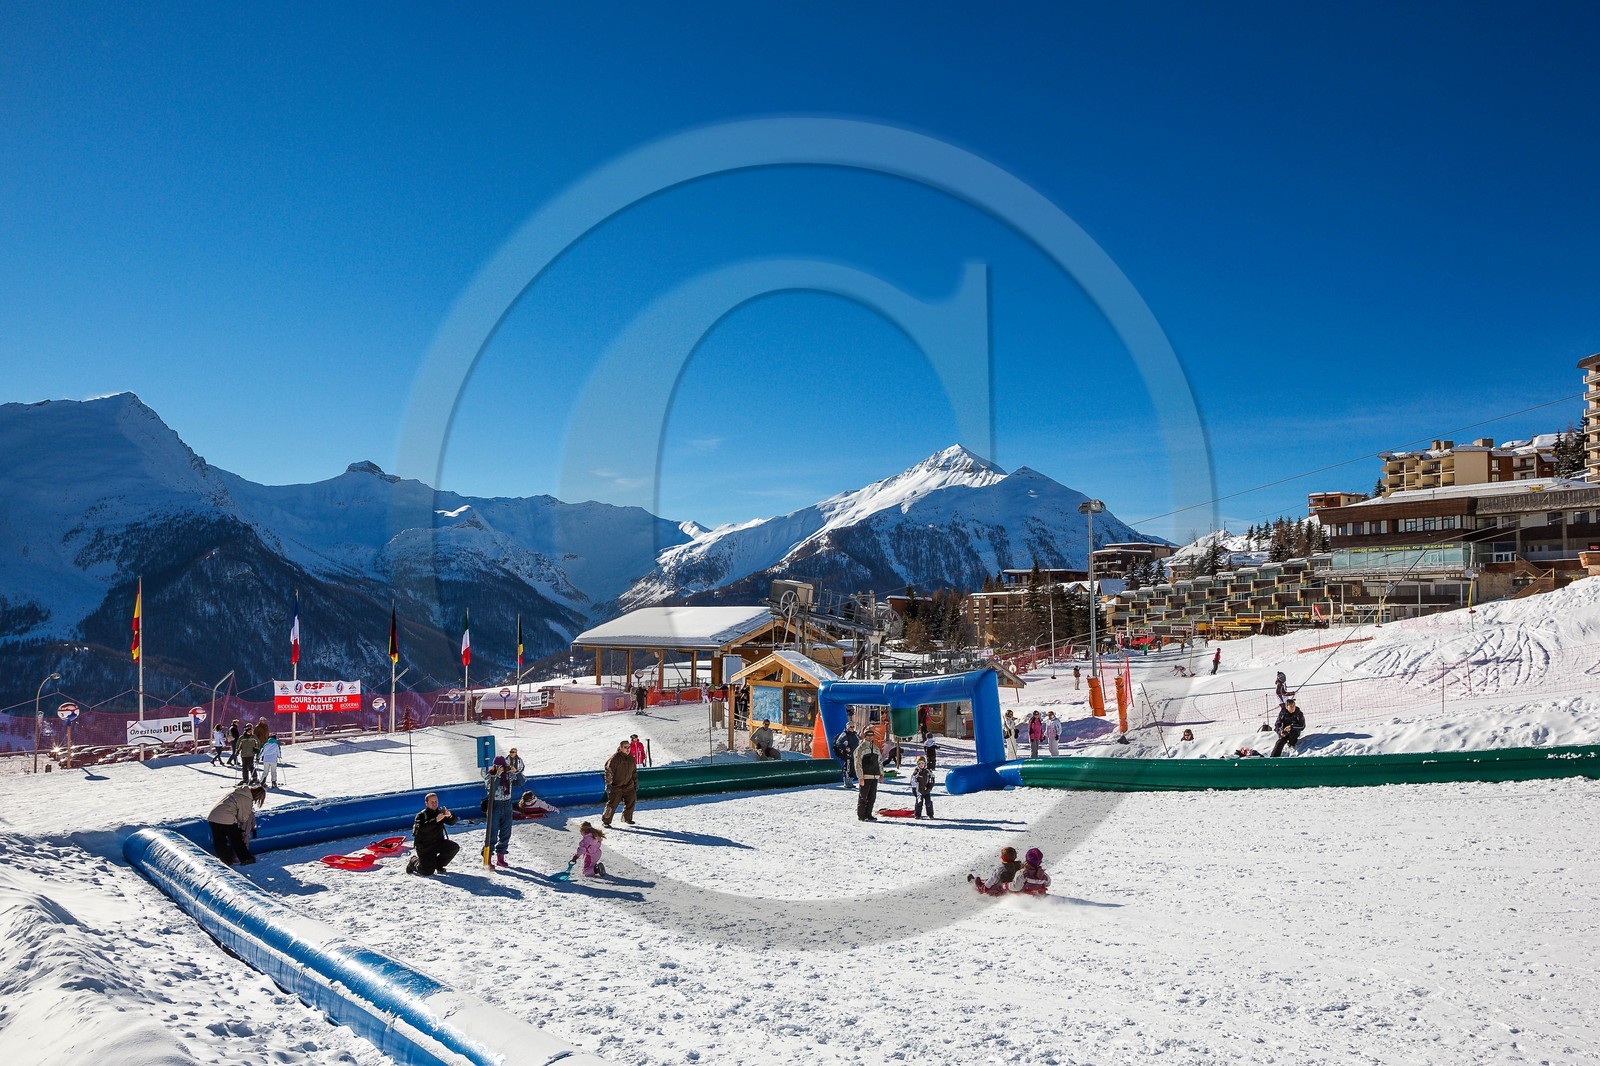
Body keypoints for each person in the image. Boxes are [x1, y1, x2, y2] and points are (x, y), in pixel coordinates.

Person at [207, 784, 265, 865]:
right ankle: (246, 858)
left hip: (213, 817)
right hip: (226, 818)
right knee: (236, 839)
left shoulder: (236, 792)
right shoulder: (247, 799)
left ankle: (224, 860)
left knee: (219, 840)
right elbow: (243, 818)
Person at [407, 792, 459, 876]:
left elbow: (452, 822)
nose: (434, 804)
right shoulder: (421, 815)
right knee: (427, 872)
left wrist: (450, 815)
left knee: (453, 847)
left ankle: (439, 865)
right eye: (432, 802)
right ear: (426, 803)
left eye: (436, 801)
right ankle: (413, 862)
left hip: (438, 842)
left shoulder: (439, 812)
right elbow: (421, 829)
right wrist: (435, 820)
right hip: (425, 847)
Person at [484, 756, 515, 867]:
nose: (500, 768)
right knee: (492, 832)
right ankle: (487, 857)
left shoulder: (508, 776)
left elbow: (521, 781)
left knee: (506, 831)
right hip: (495, 804)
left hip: (507, 804)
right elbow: (490, 787)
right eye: (497, 766)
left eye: (502, 766)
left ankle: (500, 857)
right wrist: (497, 775)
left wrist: (516, 772)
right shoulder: (490, 776)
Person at [603, 739, 639, 828]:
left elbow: (634, 772)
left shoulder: (631, 758)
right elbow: (609, 772)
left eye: (629, 747)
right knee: (612, 804)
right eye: (625, 747)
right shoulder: (614, 759)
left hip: (628, 785)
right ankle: (606, 821)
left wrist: (635, 782)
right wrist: (609, 784)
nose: (628, 749)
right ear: (621, 748)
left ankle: (627, 818)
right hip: (616, 786)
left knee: (631, 800)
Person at [853, 735, 884, 821]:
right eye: (868, 735)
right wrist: (860, 777)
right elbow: (857, 763)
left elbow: (880, 762)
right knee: (863, 796)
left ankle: (868, 814)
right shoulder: (860, 748)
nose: (870, 737)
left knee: (872, 797)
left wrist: (881, 774)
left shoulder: (875, 748)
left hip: (874, 775)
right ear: (865, 736)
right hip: (865, 775)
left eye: (871, 735)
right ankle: (861, 815)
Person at [834, 724, 861, 788]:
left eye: (853, 727)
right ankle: (846, 782)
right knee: (848, 768)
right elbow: (838, 743)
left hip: (854, 754)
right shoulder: (845, 734)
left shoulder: (855, 734)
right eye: (850, 727)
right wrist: (845, 748)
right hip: (848, 755)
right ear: (847, 728)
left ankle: (850, 782)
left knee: (852, 768)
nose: (852, 728)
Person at [912, 756, 935, 820]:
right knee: (919, 803)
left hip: (926, 790)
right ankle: (917, 815)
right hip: (919, 791)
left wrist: (929, 788)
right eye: (919, 764)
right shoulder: (916, 772)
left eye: (922, 763)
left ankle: (930, 814)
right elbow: (913, 781)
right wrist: (914, 790)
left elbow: (932, 780)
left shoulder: (928, 771)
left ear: (925, 764)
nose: (921, 765)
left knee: (928, 803)